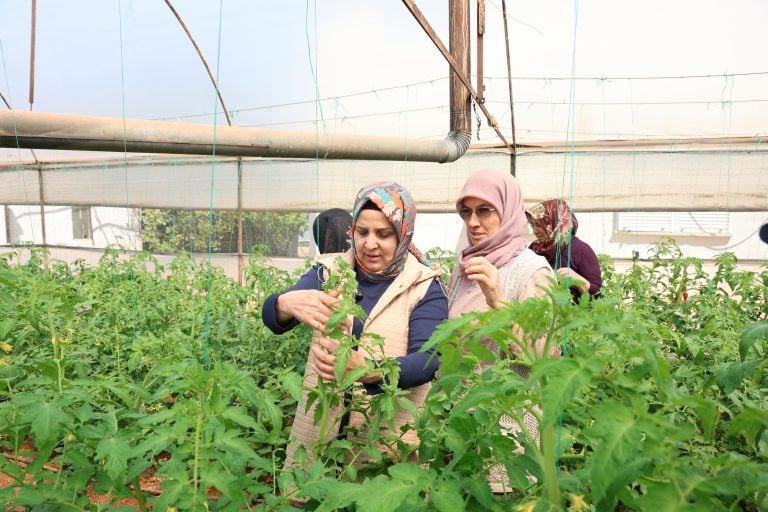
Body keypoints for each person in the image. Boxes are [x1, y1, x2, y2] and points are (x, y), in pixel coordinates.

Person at [262, 181, 448, 472]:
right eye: (362, 232)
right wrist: (283, 304)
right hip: (318, 437)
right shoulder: (330, 272)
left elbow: (427, 360)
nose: (369, 244)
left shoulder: (424, 287)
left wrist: (369, 370)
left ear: (403, 234)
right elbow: (273, 319)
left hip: (383, 445)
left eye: (384, 234)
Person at [447, 168, 557, 493]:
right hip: (463, 420)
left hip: (508, 424)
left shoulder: (533, 271)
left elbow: (544, 356)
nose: (473, 222)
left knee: (501, 495)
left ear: (508, 212)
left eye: (485, 210)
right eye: (466, 212)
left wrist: (498, 301)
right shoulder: (467, 266)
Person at [526, 199, 602, 303]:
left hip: (571, 315)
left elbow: (597, 295)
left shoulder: (582, 251)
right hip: (539, 314)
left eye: (539, 225)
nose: (534, 231)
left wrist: (577, 280)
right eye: (532, 225)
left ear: (555, 222)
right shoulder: (534, 249)